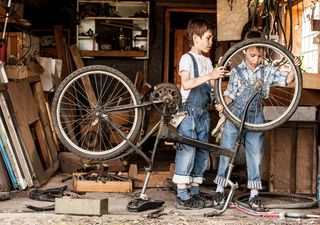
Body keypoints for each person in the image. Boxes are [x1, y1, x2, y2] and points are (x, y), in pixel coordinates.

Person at [212, 30, 301, 211]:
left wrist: (294, 66)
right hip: (234, 114)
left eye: (260, 55)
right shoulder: (236, 71)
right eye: (252, 55)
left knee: (255, 155)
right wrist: (221, 105)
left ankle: (254, 195)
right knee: (226, 151)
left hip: (256, 116)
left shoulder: (267, 71)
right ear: (244, 50)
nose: (256, 59)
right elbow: (229, 95)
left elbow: (287, 80)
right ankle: (220, 190)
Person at [172, 18, 227, 210]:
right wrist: (209, 76)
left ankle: (194, 192)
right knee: (187, 152)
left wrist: (218, 102)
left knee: (202, 152)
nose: (211, 42)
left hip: (203, 114)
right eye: (208, 38)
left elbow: (212, 89)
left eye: (211, 38)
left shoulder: (207, 61)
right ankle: (182, 194)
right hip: (188, 113)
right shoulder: (187, 58)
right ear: (196, 38)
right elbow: (186, 84)